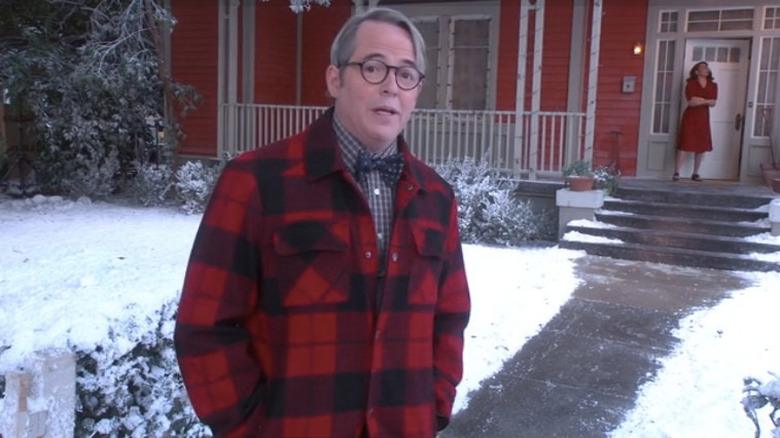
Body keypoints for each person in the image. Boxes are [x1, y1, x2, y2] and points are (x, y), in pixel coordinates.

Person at [174, 7, 471, 438]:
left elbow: (449, 318)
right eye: (373, 68)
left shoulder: (436, 197)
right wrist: (248, 428)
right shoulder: (255, 182)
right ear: (335, 79)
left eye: (407, 74)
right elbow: (205, 327)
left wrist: (434, 407)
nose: (391, 85)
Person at [673, 61, 718, 182]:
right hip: (691, 116)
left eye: (707, 68)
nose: (706, 69)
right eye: (703, 67)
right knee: (685, 142)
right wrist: (706, 101)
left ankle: (695, 173)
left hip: (703, 117)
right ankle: (677, 172)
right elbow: (691, 102)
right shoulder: (691, 84)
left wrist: (700, 100)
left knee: (701, 145)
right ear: (696, 71)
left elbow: (713, 102)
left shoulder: (713, 85)